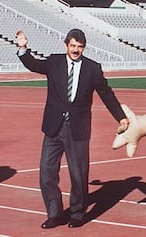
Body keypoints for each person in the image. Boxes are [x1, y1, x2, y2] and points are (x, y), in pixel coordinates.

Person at [15, 29, 129, 229]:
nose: (76, 50)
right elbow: (33, 64)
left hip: (77, 129)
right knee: (46, 172)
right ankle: (55, 213)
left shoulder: (92, 68)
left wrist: (120, 117)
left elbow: (106, 93)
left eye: (80, 47)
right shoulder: (54, 62)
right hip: (53, 127)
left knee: (78, 174)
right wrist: (23, 47)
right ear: (65, 45)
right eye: (73, 46)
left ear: (84, 48)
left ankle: (77, 213)